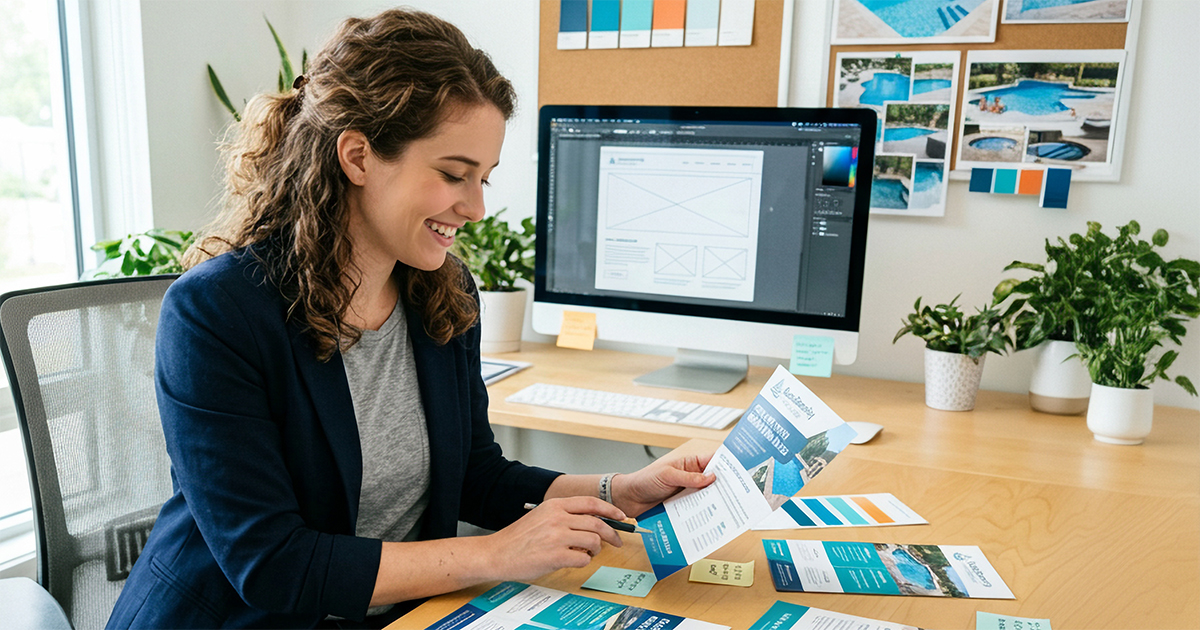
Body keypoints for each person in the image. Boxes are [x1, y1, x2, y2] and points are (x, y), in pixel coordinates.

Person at [106, 9, 715, 629]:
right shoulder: (217, 313)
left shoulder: (442, 295)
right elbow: (272, 563)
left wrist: (615, 490)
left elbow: (475, 475)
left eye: (484, 179)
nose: (475, 207)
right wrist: (497, 554)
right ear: (359, 157)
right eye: (453, 174)